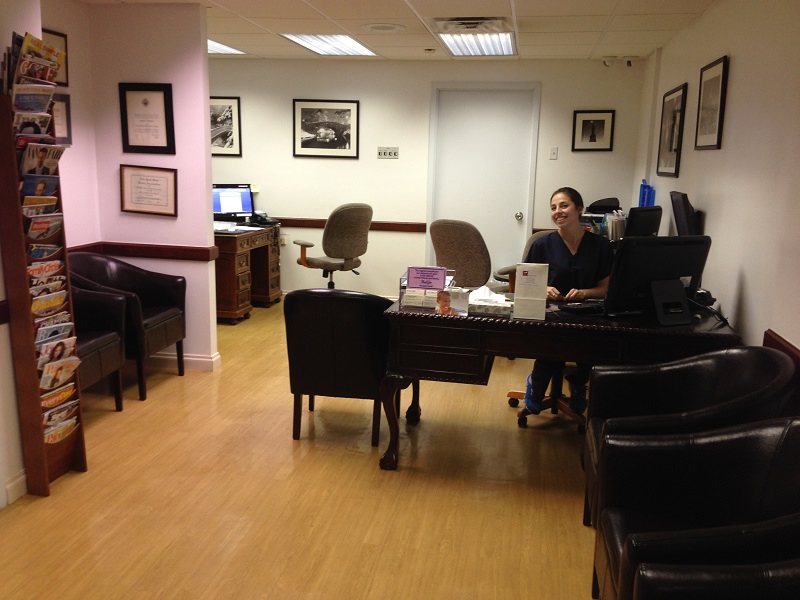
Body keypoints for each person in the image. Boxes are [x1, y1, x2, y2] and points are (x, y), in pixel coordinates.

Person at [518, 187, 613, 417]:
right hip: (552, 311)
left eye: (564, 205)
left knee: (590, 350)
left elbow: (606, 289)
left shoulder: (600, 245)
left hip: (587, 311)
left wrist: (584, 293)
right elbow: (524, 284)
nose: (557, 211)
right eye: (553, 207)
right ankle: (536, 386)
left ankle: (579, 385)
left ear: (579, 209)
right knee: (552, 347)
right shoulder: (542, 245)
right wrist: (543, 288)